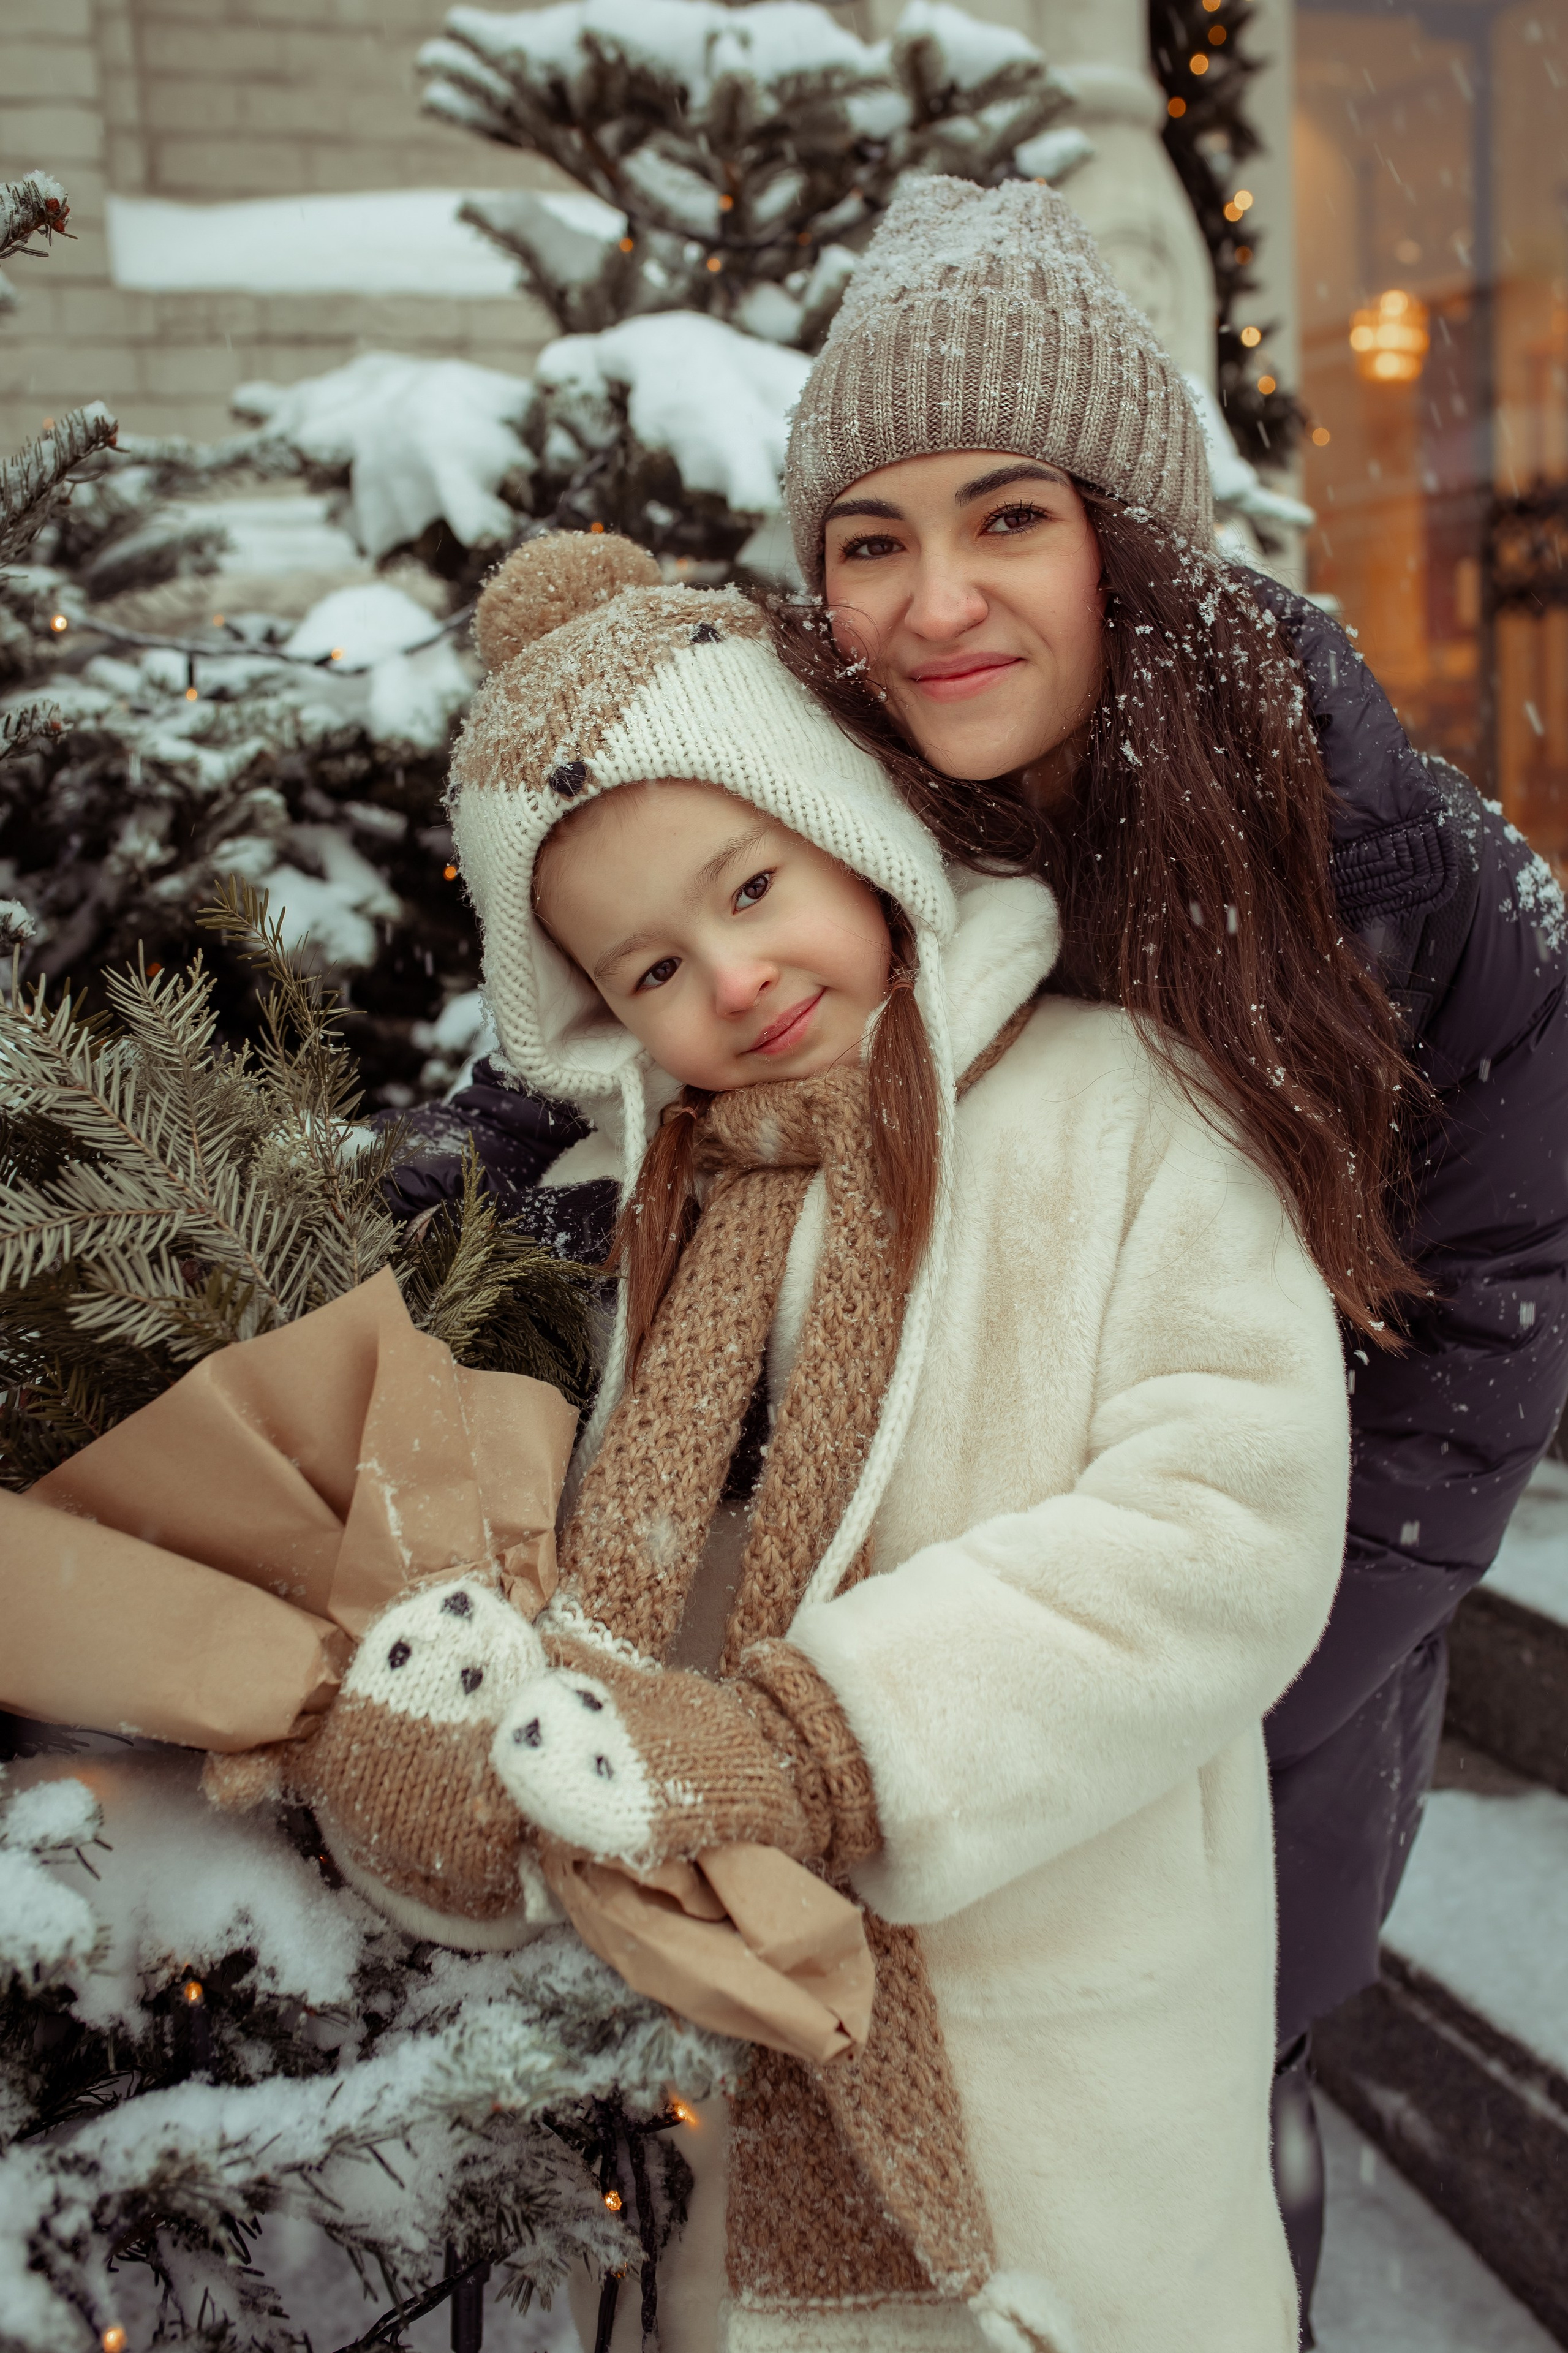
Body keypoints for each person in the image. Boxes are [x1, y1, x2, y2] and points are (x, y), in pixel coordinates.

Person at [392, 178, 1568, 2331]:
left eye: (1008, 516)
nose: (938, 601)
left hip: (1266, 1654)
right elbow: (591, 1061)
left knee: (1186, 2141)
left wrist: (1227, 1713)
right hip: (846, 1743)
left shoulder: (1380, 858)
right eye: (870, 539)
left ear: (1123, 531)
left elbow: (1481, 1315)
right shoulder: (818, 783)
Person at [438, 522, 1352, 2351]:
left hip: (1068, 2070)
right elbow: (635, 1610)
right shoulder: (664, 1218)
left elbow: (1226, 1527)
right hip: (754, 2075)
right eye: (650, 971)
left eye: (753, 884)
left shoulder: (1121, 1110)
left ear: (848, 817)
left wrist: (822, 1739)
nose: (732, 978)